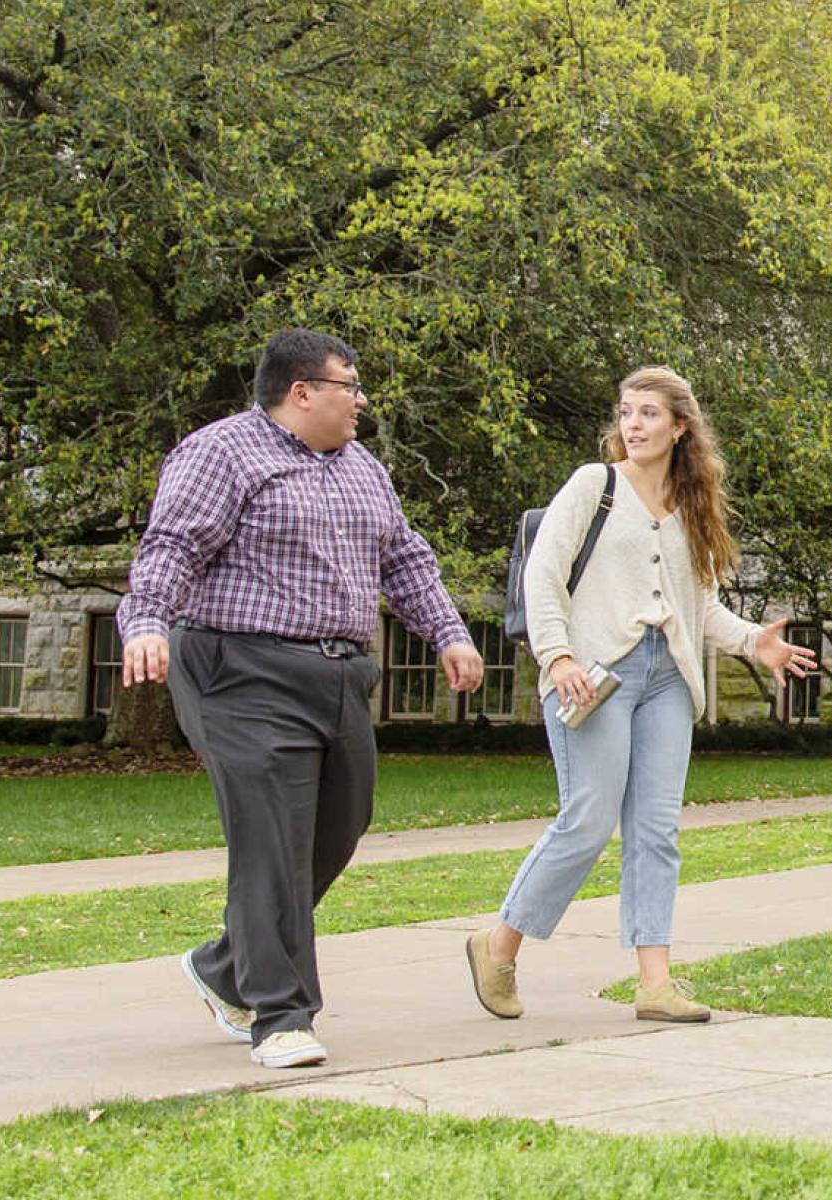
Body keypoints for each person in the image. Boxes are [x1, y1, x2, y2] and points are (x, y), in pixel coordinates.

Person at [119, 329, 483, 1069]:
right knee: (272, 841)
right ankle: (281, 1016)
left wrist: (449, 632)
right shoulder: (221, 452)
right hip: (238, 668)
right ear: (301, 391)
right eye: (350, 387)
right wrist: (147, 621)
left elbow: (404, 556)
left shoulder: (362, 469)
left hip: (337, 673)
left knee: (342, 824)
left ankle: (225, 965)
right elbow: (173, 546)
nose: (361, 402)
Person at [463, 366, 815, 1024]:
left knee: (656, 830)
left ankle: (656, 984)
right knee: (589, 821)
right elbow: (543, 579)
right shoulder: (593, 487)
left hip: (667, 680)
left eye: (649, 414)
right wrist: (558, 655)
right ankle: (499, 944)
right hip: (593, 677)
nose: (633, 425)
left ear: (681, 427)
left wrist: (751, 643)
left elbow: (698, 606)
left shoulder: (690, 508)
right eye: (626, 413)